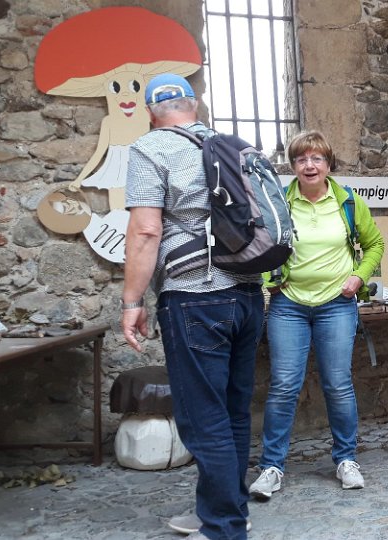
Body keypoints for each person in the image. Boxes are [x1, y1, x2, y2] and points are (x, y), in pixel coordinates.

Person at [121, 73, 264, 540]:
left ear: (150, 113)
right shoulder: (233, 146)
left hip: (195, 298)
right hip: (247, 293)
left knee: (204, 417)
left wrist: (132, 301)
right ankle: (227, 511)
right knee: (233, 411)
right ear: (194, 106)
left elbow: (146, 231)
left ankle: (223, 528)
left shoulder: (150, 148)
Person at [250, 131, 385, 500]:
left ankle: (346, 459)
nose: (309, 165)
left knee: (338, 385)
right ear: (293, 166)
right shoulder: (279, 202)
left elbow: (375, 244)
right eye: (301, 159)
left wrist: (359, 277)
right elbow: (261, 246)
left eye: (317, 158)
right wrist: (270, 281)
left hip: (336, 305)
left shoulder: (348, 203)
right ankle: (271, 467)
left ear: (328, 164)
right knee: (283, 387)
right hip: (289, 306)